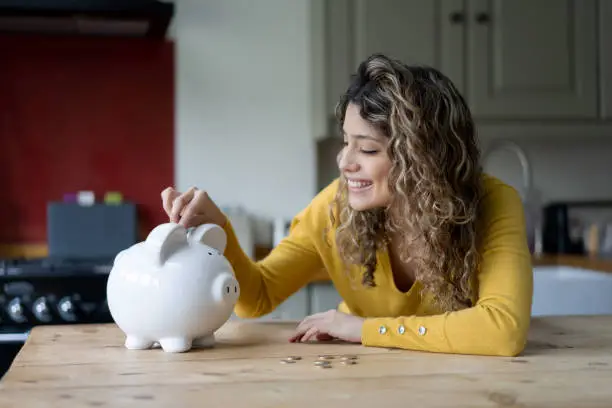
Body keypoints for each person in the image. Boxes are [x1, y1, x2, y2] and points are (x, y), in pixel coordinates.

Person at [161, 53, 533, 357]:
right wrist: (220, 227)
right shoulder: (333, 209)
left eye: (368, 148)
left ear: (424, 159)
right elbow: (256, 298)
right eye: (346, 142)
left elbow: (502, 331)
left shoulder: (494, 203)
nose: (344, 162)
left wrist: (365, 330)